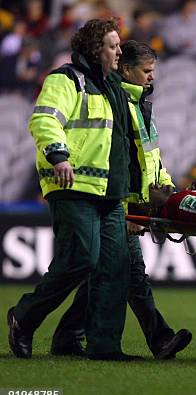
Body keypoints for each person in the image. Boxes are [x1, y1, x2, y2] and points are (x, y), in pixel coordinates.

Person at [49, 40, 193, 360]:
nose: (152, 77)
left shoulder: (141, 105)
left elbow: (151, 157)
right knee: (130, 273)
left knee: (108, 274)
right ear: (125, 70)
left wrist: (167, 191)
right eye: (147, 71)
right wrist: (124, 209)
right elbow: (120, 164)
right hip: (115, 202)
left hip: (131, 203)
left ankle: (67, 336)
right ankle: (159, 338)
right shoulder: (119, 105)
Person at [7, 18, 134, 361]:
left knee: (112, 267)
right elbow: (45, 119)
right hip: (73, 183)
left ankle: (103, 345)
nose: (119, 51)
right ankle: (24, 317)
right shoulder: (65, 79)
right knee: (81, 259)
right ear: (95, 49)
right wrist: (58, 156)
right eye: (113, 45)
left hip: (110, 190)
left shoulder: (112, 86)